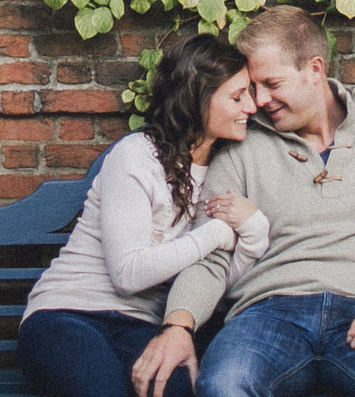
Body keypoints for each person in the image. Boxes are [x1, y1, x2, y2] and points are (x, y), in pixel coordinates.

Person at [133, 6, 355, 397]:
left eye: (272, 83)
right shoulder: (239, 147)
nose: (259, 100)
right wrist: (178, 327)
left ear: (314, 70)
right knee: (224, 385)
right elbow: (212, 257)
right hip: (267, 316)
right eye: (253, 87)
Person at [18, 34, 268, 397]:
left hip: (143, 326)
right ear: (197, 99)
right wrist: (216, 233)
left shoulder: (224, 172)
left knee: (177, 389)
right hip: (68, 313)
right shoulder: (137, 156)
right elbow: (128, 274)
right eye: (236, 96)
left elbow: (220, 276)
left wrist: (254, 228)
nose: (251, 106)